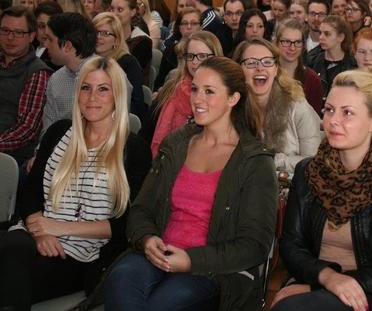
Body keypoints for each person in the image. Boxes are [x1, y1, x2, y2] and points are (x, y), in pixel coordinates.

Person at [104, 56, 278, 311]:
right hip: (156, 253)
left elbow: (254, 245)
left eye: (209, 91)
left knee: (160, 305)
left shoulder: (254, 161)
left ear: (233, 99)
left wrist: (190, 260)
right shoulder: (176, 144)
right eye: (195, 89)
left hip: (211, 270)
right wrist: (147, 238)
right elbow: (141, 208)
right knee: (120, 281)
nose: (197, 99)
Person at [272, 69, 372, 311]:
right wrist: (327, 278)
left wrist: (330, 284)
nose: (333, 120)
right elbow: (291, 246)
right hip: (316, 280)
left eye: (347, 113)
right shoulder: (308, 172)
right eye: (329, 110)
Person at [0, 56, 151, 310]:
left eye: (103, 89)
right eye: (86, 88)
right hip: (33, 238)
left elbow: (127, 223)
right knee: (12, 250)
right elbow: (31, 192)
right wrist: (42, 232)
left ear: (117, 96)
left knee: (11, 259)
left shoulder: (133, 149)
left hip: (83, 256)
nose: (92, 97)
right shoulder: (59, 133)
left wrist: (56, 227)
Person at [233, 37, 320, 172]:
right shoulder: (231, 108)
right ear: (239, 69)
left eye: (267, 62)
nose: (260, 68)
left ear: (276, 69)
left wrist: (271, 160)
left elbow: (314, 162)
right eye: (251, 63)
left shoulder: (297, 105)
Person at [151, 31, 223, 156]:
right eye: (190, 56)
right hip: (172, 161)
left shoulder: (225, 95)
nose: (194, 62)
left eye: (201, 56)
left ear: (215, 57)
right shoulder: (173, 89)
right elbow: (159, 141)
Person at [0, 6, 52, 164]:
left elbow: (27, 129)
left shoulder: (38, 72)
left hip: (11, 155)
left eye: (18, 33)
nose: (10, 38)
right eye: (5, 30)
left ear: (31, 36)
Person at [42, 12, 96, 131]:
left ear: (67, 46)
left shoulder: (109, 76)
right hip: (58, 147)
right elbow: (47, 131)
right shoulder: (56, 79)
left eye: (50, 39)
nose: (45, 44)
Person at [93, 12, 147, 120]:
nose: (98, 37)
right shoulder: (87, 62)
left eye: (105, 33)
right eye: (96, 32)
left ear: (116, 40)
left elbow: (136, 104)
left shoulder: (128, 63)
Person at [274, 18, 323, 114]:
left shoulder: (312, 80)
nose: (292, 48)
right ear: (276, 42)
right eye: (286, 42)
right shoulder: (268, 74)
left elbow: (313, 120)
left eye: (297, 42)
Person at [307, 15, 356, 99]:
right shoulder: (312, 60)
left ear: (340, 37)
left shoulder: (352, 65)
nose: (321, 37)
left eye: (327, 34)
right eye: (320, 33)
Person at [155, 7, 202, 90]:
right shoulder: (170, 50)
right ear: (179, 28)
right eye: (184, 23)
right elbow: (160, 82)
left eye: (194, 23)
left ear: (201, 27)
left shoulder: (208, 49)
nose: (189, 27)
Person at [110, 0, 153, 78]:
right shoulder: (106, 36)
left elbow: (132, 73)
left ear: (132, 12)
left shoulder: (142, 41)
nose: (114, 14)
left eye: (120, 10)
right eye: (112, 9)